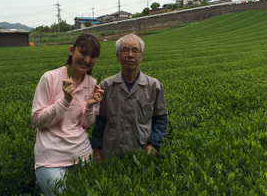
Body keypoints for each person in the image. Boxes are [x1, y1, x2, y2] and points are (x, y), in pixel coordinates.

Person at [31, 34, 104, 195]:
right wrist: (65, 101)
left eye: (93, 56)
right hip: (51, 160)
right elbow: (37, 120)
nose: (87, 59)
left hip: (83, 155)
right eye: (83, 53)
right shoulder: (50, 78)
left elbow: (86, 124)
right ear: (72, 51)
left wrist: (90, 107)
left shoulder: (92, 84)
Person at [91, 33, 168, 162]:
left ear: (141, 56)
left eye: (135, 50)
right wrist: (96, 149)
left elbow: (160, 119)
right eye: (125, 50)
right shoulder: (106, 86)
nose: (130, 55)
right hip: (111, 154)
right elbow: (99, 121)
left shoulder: (154, 86)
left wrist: (153, 144)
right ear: (118, 56)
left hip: (142, 153)